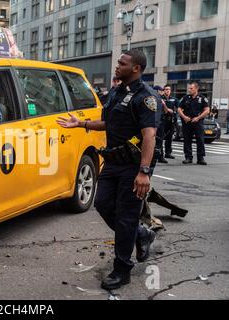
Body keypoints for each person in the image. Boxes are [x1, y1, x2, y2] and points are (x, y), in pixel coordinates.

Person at [57, 49, 160, 290]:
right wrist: (81, 123)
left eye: (122, 63)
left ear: (135, 68)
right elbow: (107, 122)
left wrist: (144, 172)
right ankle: (141, 234)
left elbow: (150, 136)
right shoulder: (116, 92)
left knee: (125, 217)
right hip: (113, 162)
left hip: (133, 166)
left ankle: (122, 269)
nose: (117, 66)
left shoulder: (146, 98)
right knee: (102, 204)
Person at [177, 83, 210, 165]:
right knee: (187, 140)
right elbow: (179, 109)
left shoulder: (202, 98)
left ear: (196, 89)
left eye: (191, 88)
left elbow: (207, 110)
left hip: (198, 122)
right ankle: (188, 157)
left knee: (200, 140)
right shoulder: (185, 98)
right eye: (189, 88)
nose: (189, 90)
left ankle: (200, 158)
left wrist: (198, 118)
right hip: (187, 122)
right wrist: (184, 117)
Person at [162, 85, 180, 159]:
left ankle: (168, 153)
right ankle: (160, 154)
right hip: (162, 120)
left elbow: (179, 108)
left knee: (169, 138)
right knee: (161, 138)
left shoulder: (174, 99)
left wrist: (176, 114)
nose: (167, 91)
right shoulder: (160, 98)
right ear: (164, 90)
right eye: (166, 89)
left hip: (171, 120)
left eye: (169, 89)